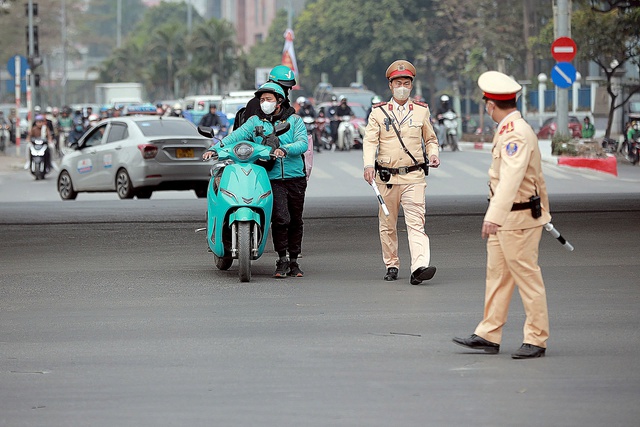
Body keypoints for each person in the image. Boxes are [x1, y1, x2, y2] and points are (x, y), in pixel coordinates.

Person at [452, 71, 552, 360]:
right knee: (497, 277)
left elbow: (511, 177)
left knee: (527, 278)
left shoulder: (516, 133)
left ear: (491, 105)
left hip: (516, 218)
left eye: (485, 104)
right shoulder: (509, 129)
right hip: (506, 217)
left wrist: (493, 215)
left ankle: (536, 338)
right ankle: (488, 333)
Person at [202, 82, 308, 278]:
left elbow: (302, 143)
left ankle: (294, 261)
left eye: (268, 99)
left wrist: (285, 149)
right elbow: (236, 136)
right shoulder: (254, 122)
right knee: (280, 218)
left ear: (279, 101)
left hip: (295, 177)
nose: (264, 103)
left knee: (295, 220)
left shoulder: (294, 121)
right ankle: (282, 260)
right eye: (262, 100)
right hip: (271, 177)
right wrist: (214, 149)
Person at [362, 59, 440, 285]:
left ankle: (419, 267)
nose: (402, 87)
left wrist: (433, 153)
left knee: (416, 223)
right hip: (386, 177)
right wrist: (368, 165)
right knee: (388, 224)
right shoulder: (378, 113)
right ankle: (392, 263)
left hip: (414, 176)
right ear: (390, 86)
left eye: (406, 82)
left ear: (411, 85)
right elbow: (370, 141)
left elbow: (431, 138)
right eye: (398, 83)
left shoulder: (421, 111)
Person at [234, 65, 297, 129]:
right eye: (283, 88)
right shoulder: (255, 104)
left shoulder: (285, 105)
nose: (285, 92)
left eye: (288, 88)